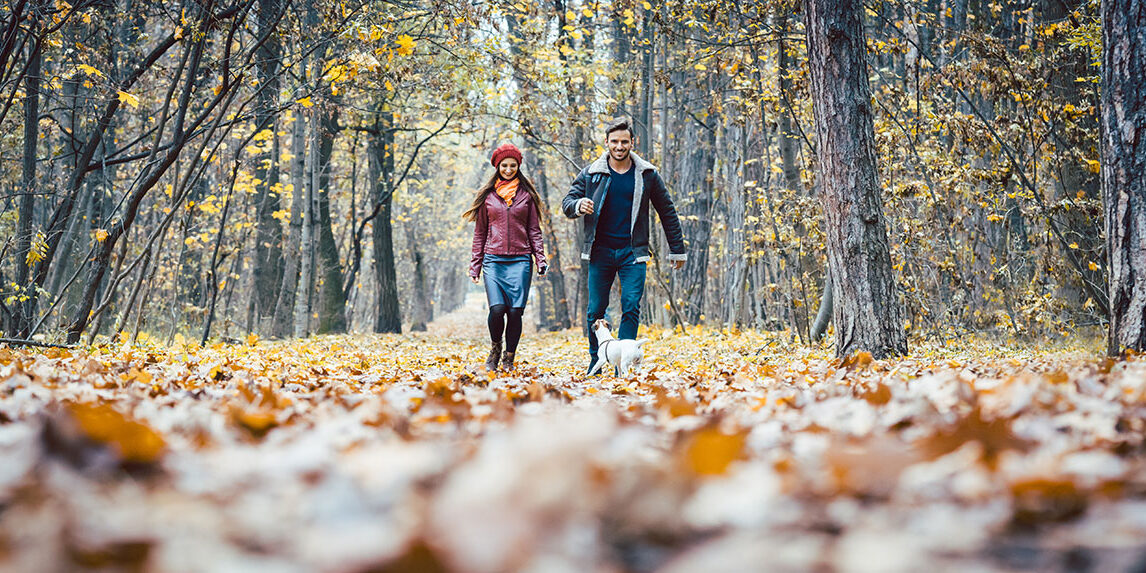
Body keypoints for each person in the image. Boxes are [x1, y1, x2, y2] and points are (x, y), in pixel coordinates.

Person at [562, 118, 686, 374]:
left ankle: (623, 365)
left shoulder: (647, 174)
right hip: (600, 251)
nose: (619, 146)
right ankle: (596, 361)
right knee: (595, 309)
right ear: (606, 142)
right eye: (615, 141)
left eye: (624, 142)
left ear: (632, 143)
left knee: (631, 305)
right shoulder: (592, 173)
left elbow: (667, 211)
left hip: (633, 252)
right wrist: (578, 206)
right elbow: (567, 201)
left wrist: (677, 249)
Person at [465, 143, 548, 371]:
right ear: (497, 167)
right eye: (504, 165)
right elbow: (480, 233)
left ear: (518, 166)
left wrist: (540, 259)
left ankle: (509, 358)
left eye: (513, 165)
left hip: (521, 260)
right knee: (497, 309)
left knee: (514, 312)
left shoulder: (527, 196)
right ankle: (495, 348)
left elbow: (534, 230)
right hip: (493, 260)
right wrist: (475, 266)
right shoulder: (489, 198)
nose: (509, 170)